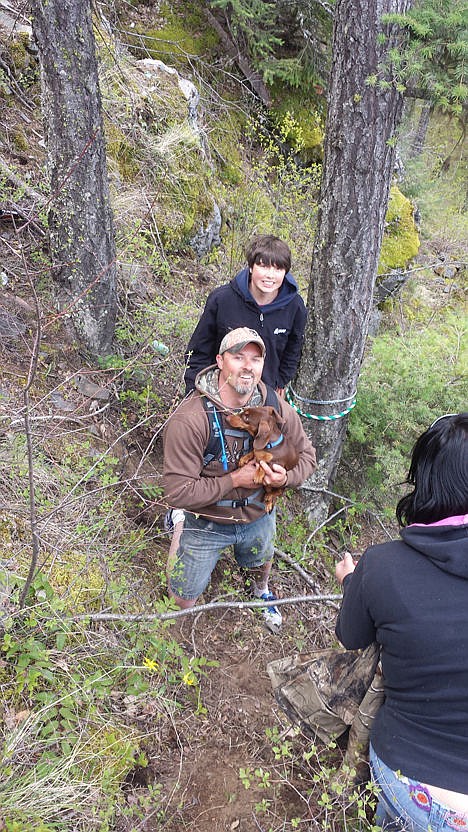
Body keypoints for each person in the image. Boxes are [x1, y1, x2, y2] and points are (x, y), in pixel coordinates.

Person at [335, 413, 468, 831]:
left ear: (424, 479)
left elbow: (351, 634)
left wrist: (353, 582)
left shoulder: (383, 565)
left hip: (413, 775)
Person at [163, 327, 316, 632]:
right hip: (206, 519)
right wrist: (235, 479)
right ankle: (181, 524)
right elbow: (178, 492)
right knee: (180, 603)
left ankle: (259, 592)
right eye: (238, 357)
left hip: (259, 515)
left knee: (260, 567)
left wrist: (286, 477)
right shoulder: (191, 418)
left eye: (256, 359)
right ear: (220, 361)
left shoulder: (275, 407)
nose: (248, 366)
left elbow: (308, 457)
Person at [184, 235, 307, 397]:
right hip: (220, 391)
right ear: (251, 267)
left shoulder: (295, 306)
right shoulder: (222, 300)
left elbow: (293, 350)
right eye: (263, 266)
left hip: (264, 393)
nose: (270, 275)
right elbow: (198, 350)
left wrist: (280, 382)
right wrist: (194, 391)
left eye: (278, 269)